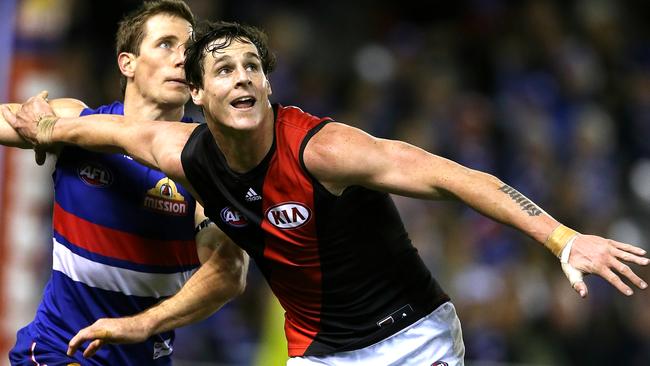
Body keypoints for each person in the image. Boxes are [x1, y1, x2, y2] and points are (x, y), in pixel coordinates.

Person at [4, 20, 648, 365]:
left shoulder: (324, 150)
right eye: (224, 69)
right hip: (319, 354)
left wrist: (562, 239)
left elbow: (458, 178)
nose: (243, 78)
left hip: (411, 342)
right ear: (198, 96)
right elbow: (105, 129)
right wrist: (44, 123)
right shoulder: (185, 152)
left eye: (253, 66)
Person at [0, 3, 247, 366]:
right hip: (59, 349)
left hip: (147, 356)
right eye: (165, 44)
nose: (182, 59)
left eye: (190, 49)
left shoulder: (206, 161)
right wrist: (29, 117)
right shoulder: (73, 120)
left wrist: (142, 324)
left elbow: (229, 273)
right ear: (127, 63)